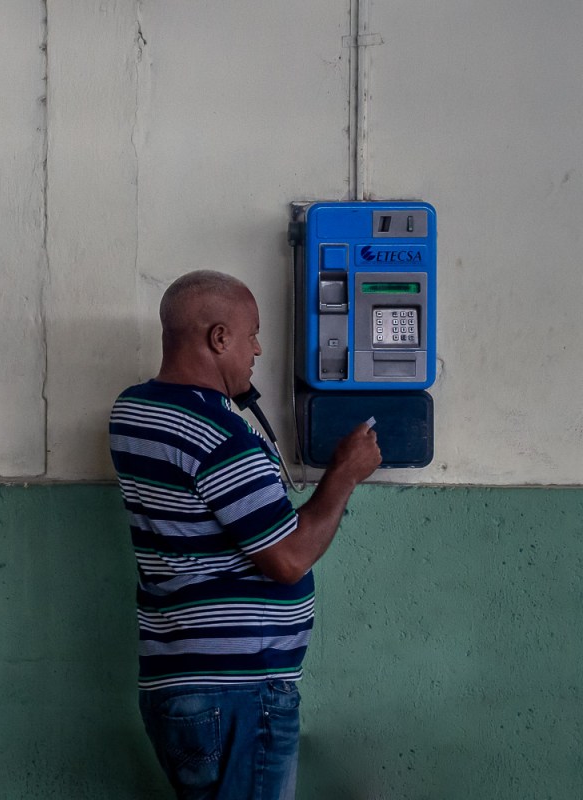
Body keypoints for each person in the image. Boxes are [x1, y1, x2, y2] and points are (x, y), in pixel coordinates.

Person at [109, 271, 380, 800]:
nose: (258, 349)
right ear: (218, 338)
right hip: (237, 694)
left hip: (176, 681)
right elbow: (287, 559)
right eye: (252, 333)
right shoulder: (219, 436)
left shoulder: (134, 410)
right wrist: (346, 473)